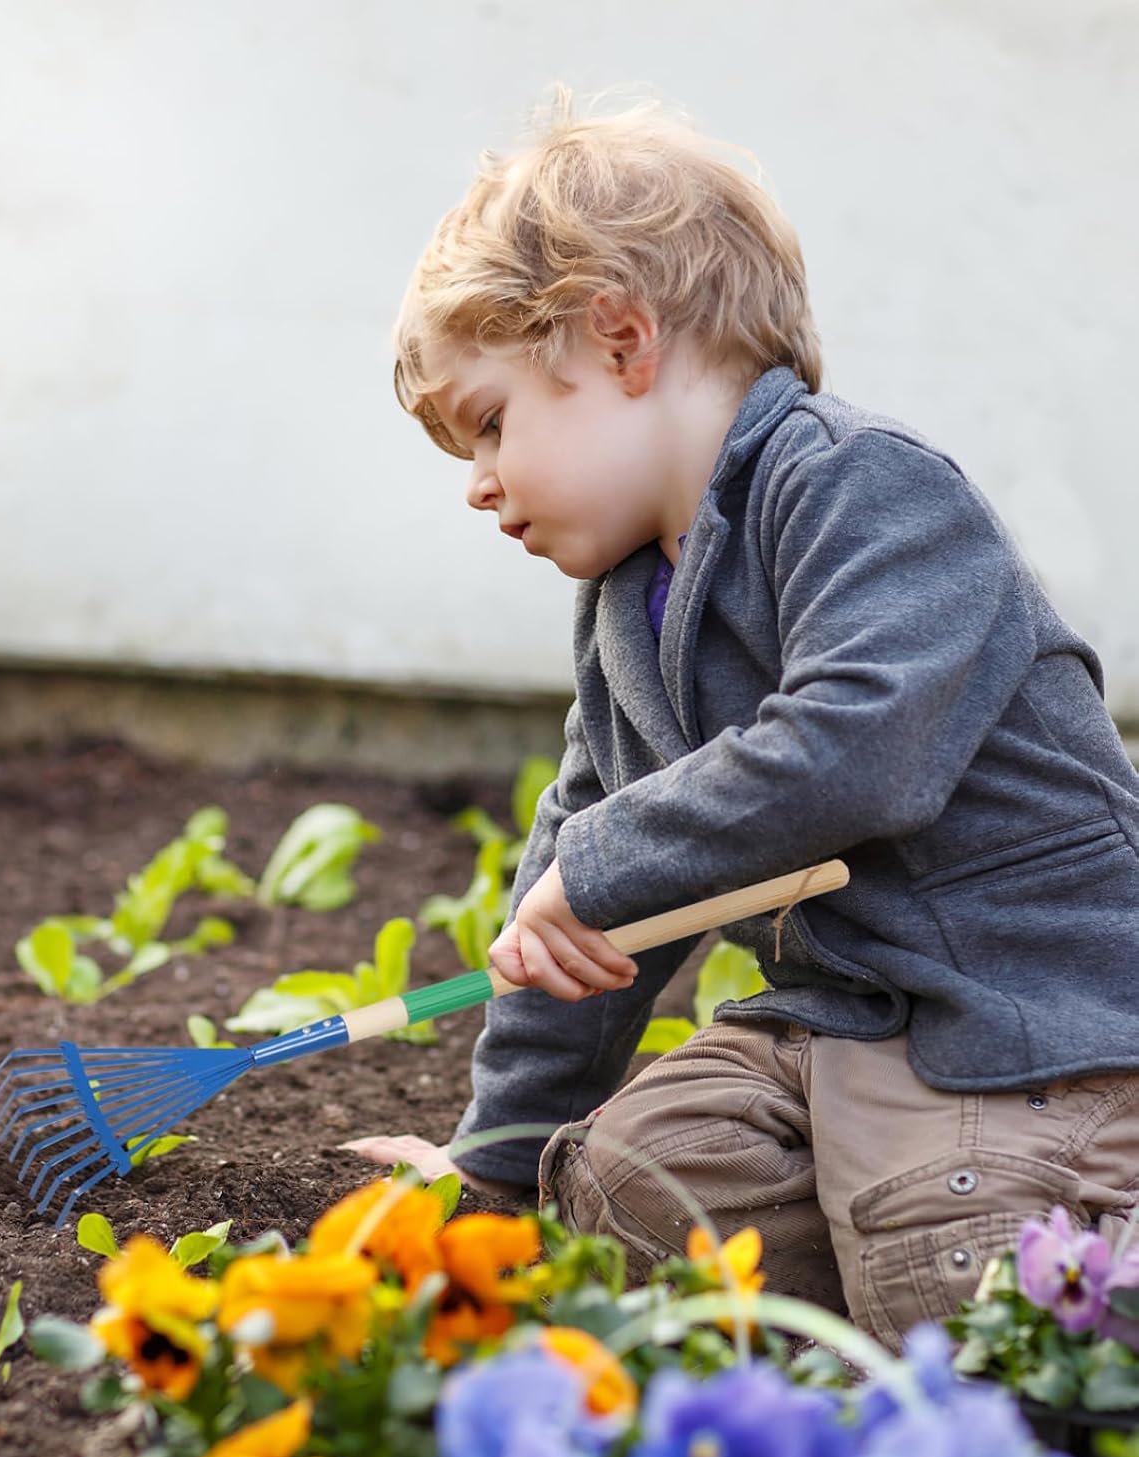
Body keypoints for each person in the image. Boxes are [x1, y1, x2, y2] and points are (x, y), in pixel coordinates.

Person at [343, 92, 1139, 1348]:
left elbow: (857, 751)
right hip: (845, 1021)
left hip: (1028, 1020)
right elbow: (577, 900)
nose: (480, 485)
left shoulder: (863, 488)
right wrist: (492, 1167)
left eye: (490, 424)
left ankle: (1013, 1265)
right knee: (628, 1174)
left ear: (622, 340)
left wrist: (603, 867)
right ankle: (896, 1265)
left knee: (944, 1258)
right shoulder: (628, 610)